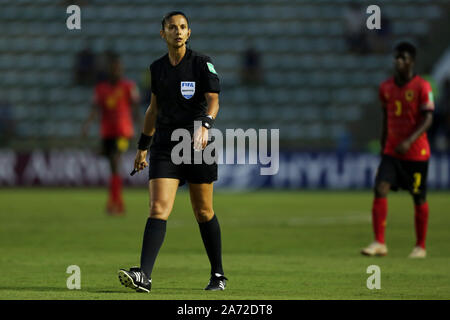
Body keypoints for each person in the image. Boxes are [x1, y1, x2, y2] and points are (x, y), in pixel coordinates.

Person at [118, 11, 227, 292]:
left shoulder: (202, 64)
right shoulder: (156, 69)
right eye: (172, 27)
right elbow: (153, 110)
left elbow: (213, 101)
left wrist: (206, 124)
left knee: (203, 211)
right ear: (162, 33)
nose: (178, 31)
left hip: (196, 143)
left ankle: (217, 274)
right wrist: (143, 147)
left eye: (182, 27)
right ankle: (144, 275)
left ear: (189, 33)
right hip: (165, 145)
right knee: (157, 208)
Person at [361, 42, 434, 258]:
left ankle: (420, 246)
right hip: (392, 151)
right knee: (380, 188)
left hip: (416, 153)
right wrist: (384, 145)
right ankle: (379, 242)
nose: (398, 61)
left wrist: (409, 141)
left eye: (402, 58)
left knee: (418, 197)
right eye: (396, 58)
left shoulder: (422, 86)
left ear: (411, 61)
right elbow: (386, 119)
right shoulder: (385, 88)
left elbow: (428, 118)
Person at [82, 53, 141, 215]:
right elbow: (95, 108)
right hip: (107, 133)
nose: (117, 71)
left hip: (123, 132)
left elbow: (136, 109)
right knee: (112, 167)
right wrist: (87, 124)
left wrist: (142, 127)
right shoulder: (101, 89)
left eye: (119, 69)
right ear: (109, 71)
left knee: (115, 160)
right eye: (114, 69)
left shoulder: (129, 86)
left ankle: (116, 203)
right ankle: (116, 202)